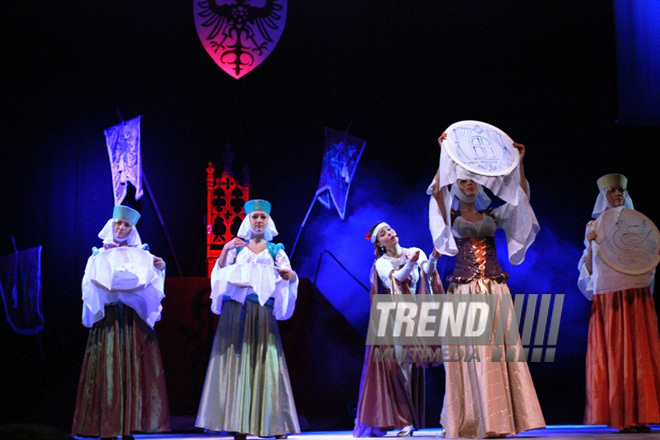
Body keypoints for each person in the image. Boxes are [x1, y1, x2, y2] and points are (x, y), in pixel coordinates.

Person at [429, 134, 545, 438]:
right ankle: (477, 419)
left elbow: (520, 200)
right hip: (466, 290)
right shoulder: (451, 215)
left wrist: (519, 164)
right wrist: (445, 154)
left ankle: (499, 420)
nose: (469, 185)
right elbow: (437, 195)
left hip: (493, 287)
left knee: (497, 352)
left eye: (473, 181)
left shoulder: (492, 214)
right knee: (474, 354)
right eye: (464, 181)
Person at [196, 199, 299, 440]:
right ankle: (237, 423)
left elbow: (288, 276)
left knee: (266, 362)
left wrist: (291, 276)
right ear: (248, 220)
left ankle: (274, 424)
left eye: (263, 217)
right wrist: (224, 250)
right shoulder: (236, 247)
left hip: (261, 311)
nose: (259, 221)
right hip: (236, 311)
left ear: (268, 221)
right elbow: (219, 274)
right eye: (255, 217)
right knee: (236, 364)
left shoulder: (276, 250)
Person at [72, 205, 170, 439]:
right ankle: (107, 425)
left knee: (133, 368)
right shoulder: (99, 255)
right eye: (118, 223)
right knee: (108, 368)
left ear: (132, 229)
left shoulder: (143, 255)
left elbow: (152, 287)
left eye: (126, 225)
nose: (121, 228)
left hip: (132, 318)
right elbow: (88, 287)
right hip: (108, 320)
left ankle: (128, 426)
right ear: (111, 225)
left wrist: (160, 268)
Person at [577, 173, 660, 433]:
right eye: (612, 191)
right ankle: (622, 417)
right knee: (617, 352)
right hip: (611, 297)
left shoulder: (638, 224)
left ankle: (641, 414)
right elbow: (588, 269)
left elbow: (646, 257)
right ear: (604, 195)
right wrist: (590, 245)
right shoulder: (595, 226)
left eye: (621, 191)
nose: (617, 195)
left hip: (635, 294)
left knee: (639, 354)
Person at [353, 222, 443, 437]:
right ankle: (404, 420)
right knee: (399, 368)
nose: (389, 234)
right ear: (379, 243)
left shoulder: (414, 251)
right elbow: (398, 279)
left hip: (417, 313)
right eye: (383, 234)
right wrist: (410, 265)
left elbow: (428, 271)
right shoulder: (381, 263)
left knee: (417, 367)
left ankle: (449, 415)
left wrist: (432, 258)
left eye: (390, 229)